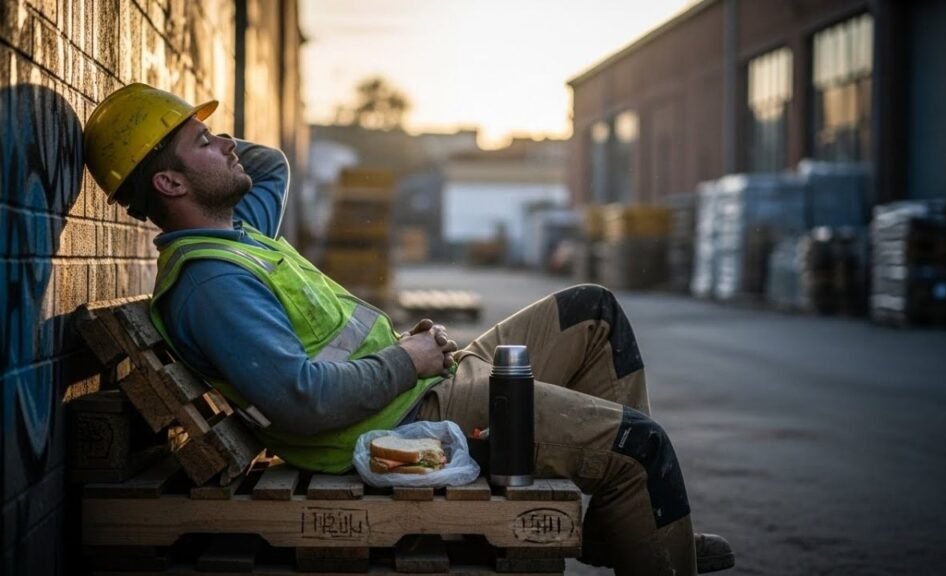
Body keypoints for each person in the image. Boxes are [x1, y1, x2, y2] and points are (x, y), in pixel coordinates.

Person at [83, 83, 734, 575]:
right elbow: (303, 401)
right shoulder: (213, 283)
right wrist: (412, 359)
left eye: (214, 131)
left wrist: (201, 148)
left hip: (417, 384)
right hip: (399, 419)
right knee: (638, 449)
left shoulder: (235, 230)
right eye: (203, 141)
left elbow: (271, 163)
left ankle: (628, 529)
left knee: (593, 314)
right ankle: (646, 524)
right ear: (170, 180)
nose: (225, 142)